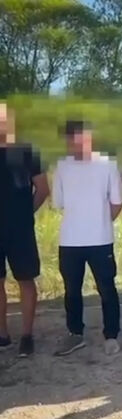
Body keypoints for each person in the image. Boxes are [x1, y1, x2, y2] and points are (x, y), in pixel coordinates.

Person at [52, 120, 122, 356]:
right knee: (72, 290)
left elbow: (117, 202)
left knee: (107, 288)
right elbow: (59, 203)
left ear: (90, 137)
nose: (78, 143)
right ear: (67, 141)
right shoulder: (62, 167)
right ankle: (75, 334)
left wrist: (101, 221)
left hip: (100, 239)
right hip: (70, 240)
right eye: (72, 139)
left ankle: (111, 335)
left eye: (82, 138)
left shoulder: (107, 165)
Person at [0, 102, 49, 358]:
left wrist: (25, 214)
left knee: (26, 280)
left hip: (20, 229)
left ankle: (27, 336)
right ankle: (3, 334)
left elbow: (42, 188)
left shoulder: (27, 151)